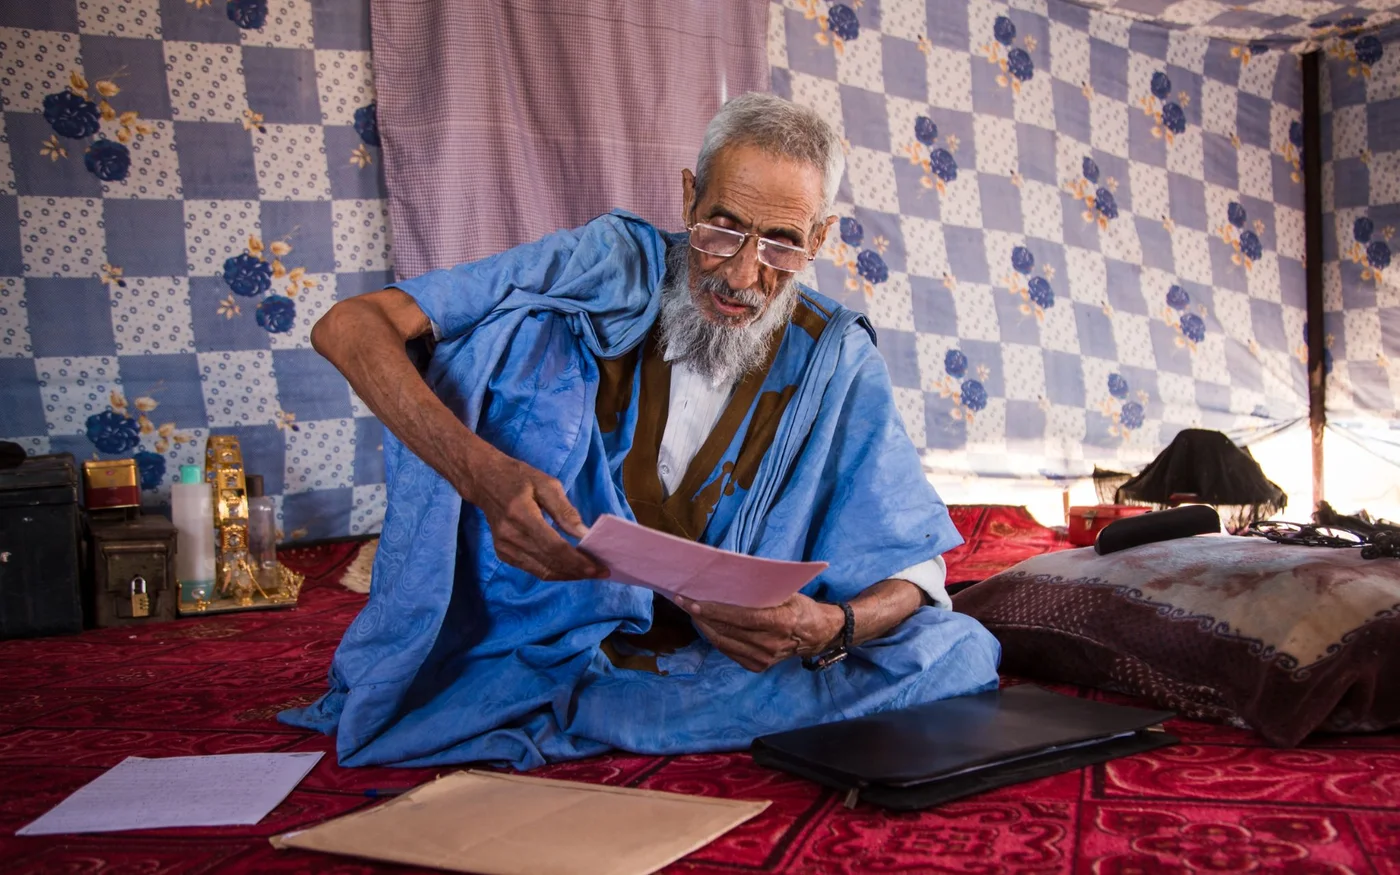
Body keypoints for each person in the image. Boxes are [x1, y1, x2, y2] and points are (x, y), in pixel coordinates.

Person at [282, 93, 1000, 769]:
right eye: (723, 227)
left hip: (726, 660)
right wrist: (483, 476)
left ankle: (608, 706)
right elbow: (350, 326)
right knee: (513, 330)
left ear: (818, 239)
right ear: (689, 198)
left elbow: (913, 565)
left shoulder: (834, 356)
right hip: (552, 624)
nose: (741, 273)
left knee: (955, 650)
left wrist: (827, 627)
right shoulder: (607, 263)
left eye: (781, 244)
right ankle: (561, 689)